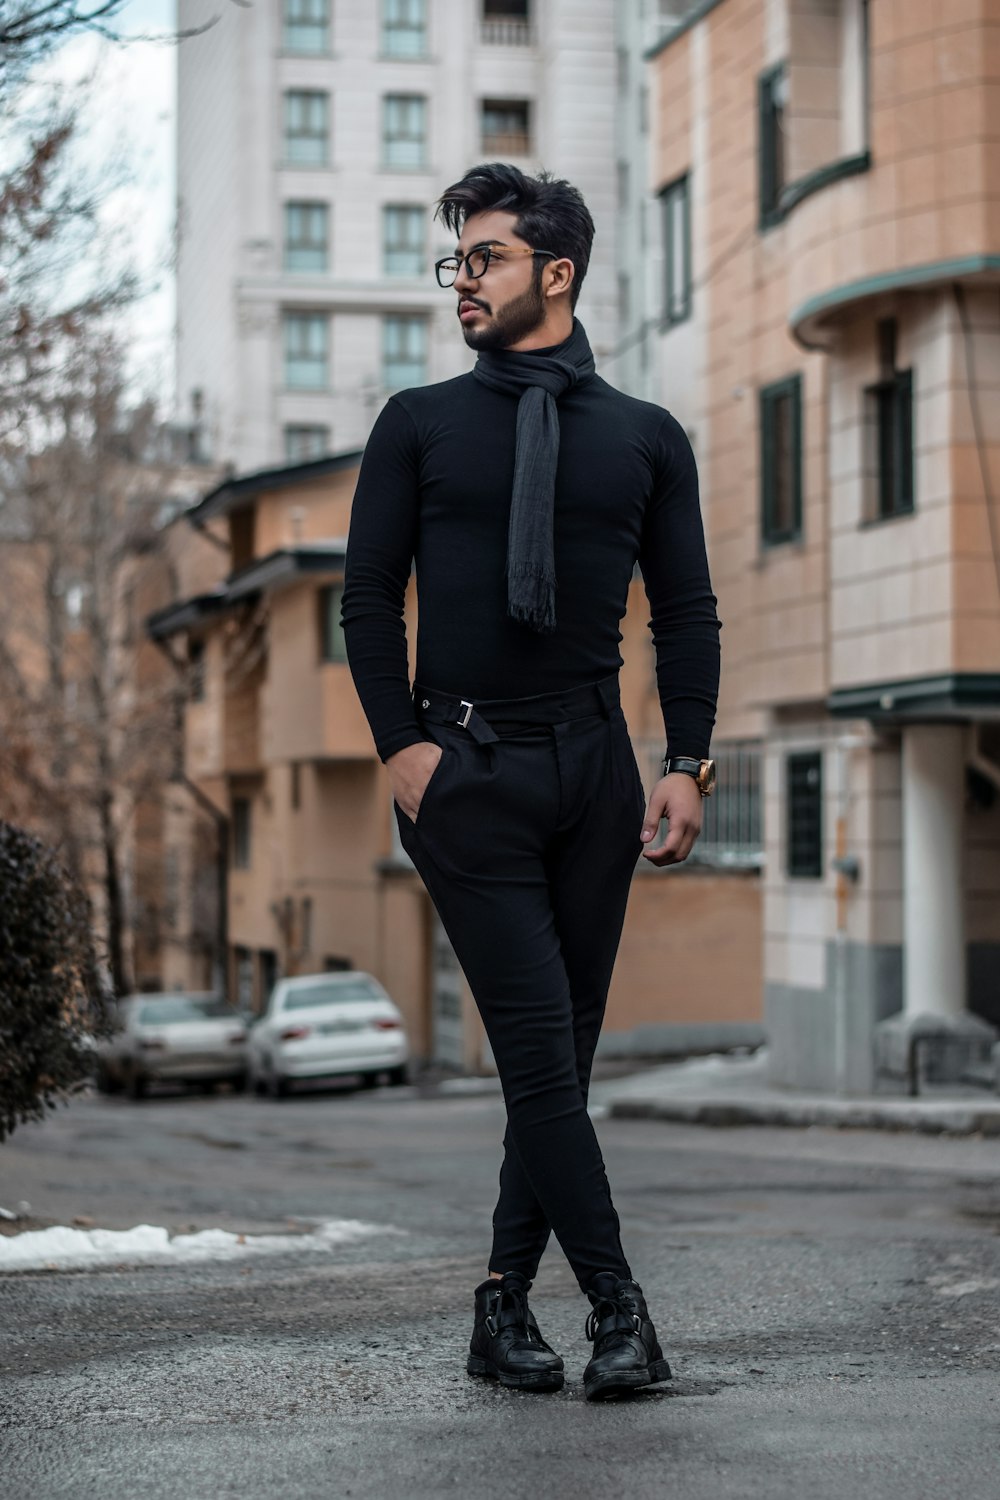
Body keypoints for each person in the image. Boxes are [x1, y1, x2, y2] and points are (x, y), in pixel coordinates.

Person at [341, 163, 721, 1401]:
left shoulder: (645, 437)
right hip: (467, 772)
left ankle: (501, 1308)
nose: (462, 279)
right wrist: (405, 753)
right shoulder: (418, 422)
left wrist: (684, 763)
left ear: (555, 274)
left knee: (556, 1056)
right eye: (456, 260)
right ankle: (621, 1313)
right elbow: (364, 599)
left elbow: (686, 611)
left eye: (485, 258)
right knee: (541, 1058)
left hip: (595, 772)